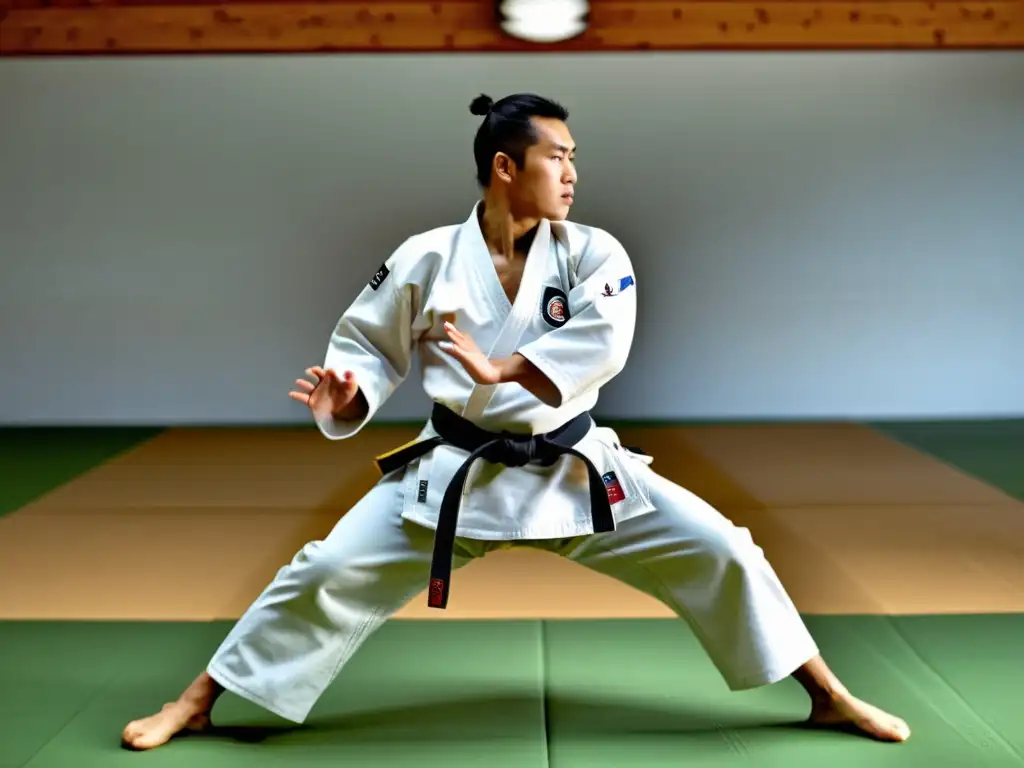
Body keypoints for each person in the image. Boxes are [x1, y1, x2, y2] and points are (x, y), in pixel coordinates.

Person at [121, 92, 910, 751]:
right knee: (324, 571)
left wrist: (505, 369)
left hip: (577, 471)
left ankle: (829, 694)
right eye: (557, 156)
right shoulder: (427, 257)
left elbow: (605, 340)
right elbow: (366, 345)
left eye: (573, 158)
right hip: (455, 475)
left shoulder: (594, 252)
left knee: (724, 549)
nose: (572, 172)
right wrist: (349, 398)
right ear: (507, 166)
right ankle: (195, 702)